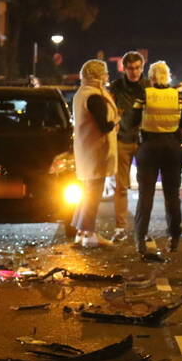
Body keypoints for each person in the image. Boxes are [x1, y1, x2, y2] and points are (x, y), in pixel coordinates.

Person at [131, 60, 182, 261]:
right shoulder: (178, 96)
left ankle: (140, 240)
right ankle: (174, 238)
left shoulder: (145, 95)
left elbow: (131, 120)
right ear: (168, 76)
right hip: (172, 148)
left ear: (152, 77)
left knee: (145, 195)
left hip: (148, 148)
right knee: (172, 195)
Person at [71, 59, 118, 248]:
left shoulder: (81, 93)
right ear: (98, 77)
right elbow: (104, 125)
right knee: (93, 194)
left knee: (86, 193)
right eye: (105, 74)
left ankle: (81, 231)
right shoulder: (94, 97)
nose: (107, 77)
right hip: (96, 151)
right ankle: (89, 234)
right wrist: (116, 120)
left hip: (85, 150)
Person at [108, 51, 147, 241]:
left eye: (137, 68)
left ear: (142, 67)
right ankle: (121, 227)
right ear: (124, 68)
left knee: (144, 187)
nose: (134, 72)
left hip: (142, 141)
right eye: (131, 68)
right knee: (121, 187)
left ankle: (142, 227)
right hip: (122, 140)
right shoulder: (116, 87)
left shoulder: (148, 86)